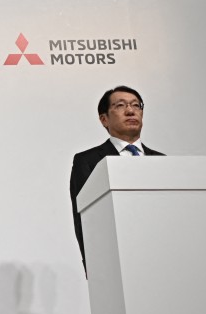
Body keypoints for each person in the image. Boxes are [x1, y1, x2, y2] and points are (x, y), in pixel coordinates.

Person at [69, 85, 163, 271]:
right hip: (115, 261)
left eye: (136, 105)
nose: (130, 111)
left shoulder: (162, 161)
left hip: (161, 256)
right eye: (120, 105)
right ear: (104, 119)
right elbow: (85, 221)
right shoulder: (87, 161)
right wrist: (94, 267)